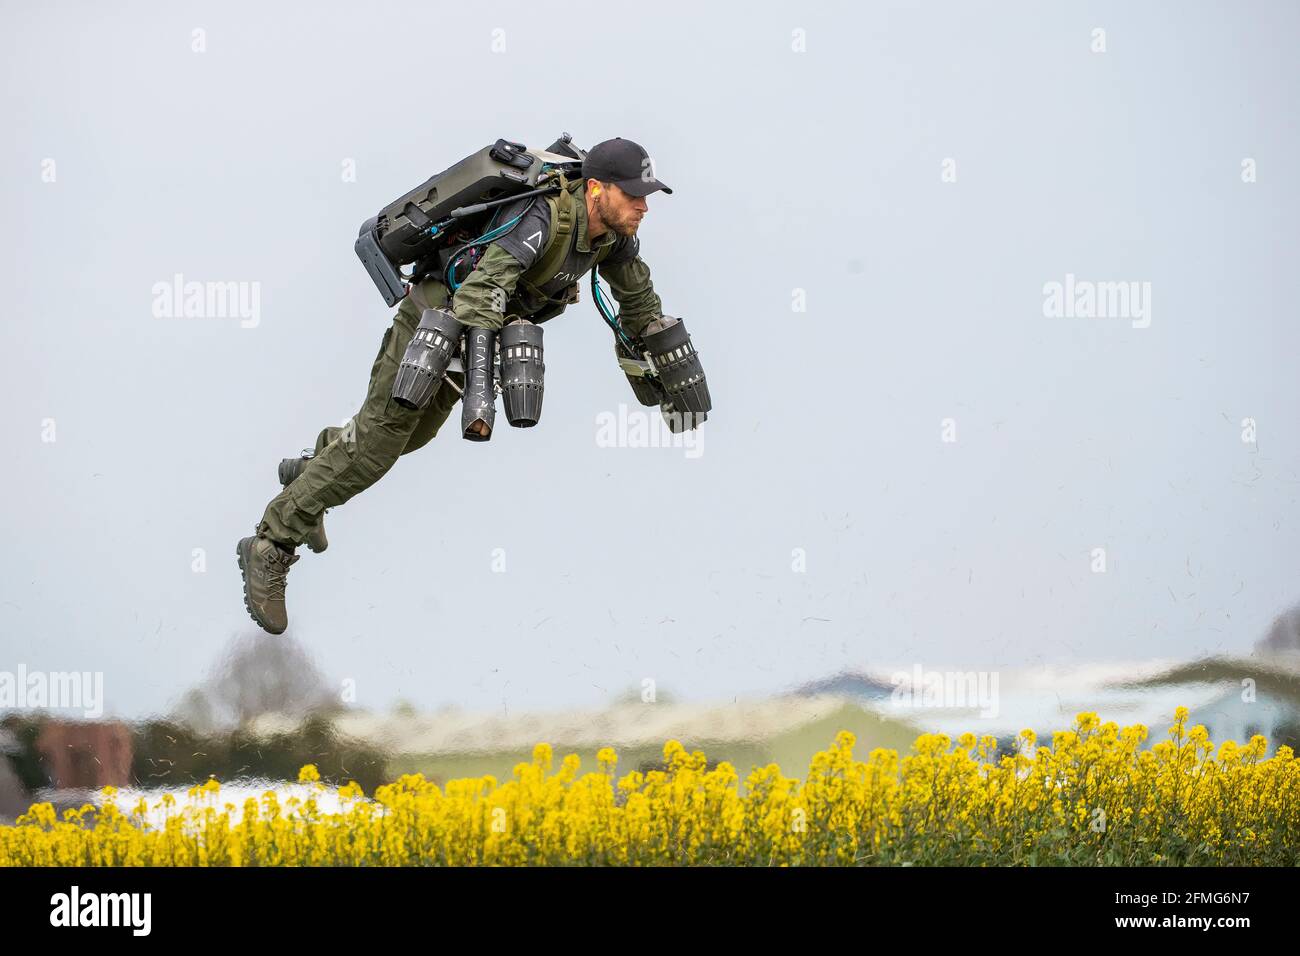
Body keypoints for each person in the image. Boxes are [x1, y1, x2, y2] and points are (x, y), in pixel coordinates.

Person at [238, 137, 684, 634]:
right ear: (597, 190)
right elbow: (482, 290)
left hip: (470, 334)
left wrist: (667, 372)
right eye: (633, 194)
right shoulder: (544, 219)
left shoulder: (613, 238)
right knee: (376, 445)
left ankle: (316, 470)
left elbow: (639, 302)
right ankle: (273, 540)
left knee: (412, 436)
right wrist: (479, 382)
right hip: (436, 321)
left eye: (647, 195)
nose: (643, 206)